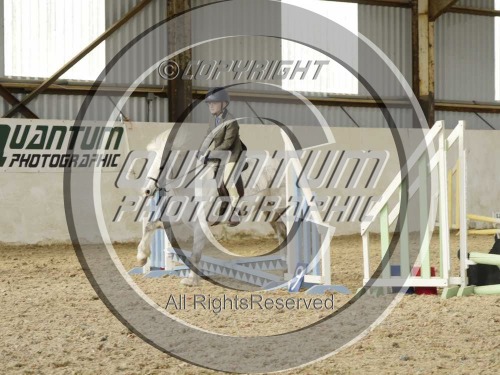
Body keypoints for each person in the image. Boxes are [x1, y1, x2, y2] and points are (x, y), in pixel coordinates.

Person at [199, 87, 244, 225]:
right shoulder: (213, 120)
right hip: (220, 154)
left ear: (223, 104)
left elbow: (228, 143)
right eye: (209, 104)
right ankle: (223, 209)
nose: (210, 106)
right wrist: (201, 151)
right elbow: (208, 137)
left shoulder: (231, 120)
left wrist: (210, 153)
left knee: (228, 180)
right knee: (217, 182)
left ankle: (237, 210)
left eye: (214, 103)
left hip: (232, 154)